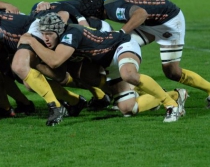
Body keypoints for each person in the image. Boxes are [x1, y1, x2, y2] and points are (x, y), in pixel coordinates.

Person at [18, 13, 186, 122]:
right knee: (128, 109)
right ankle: (176, 94)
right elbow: (60, 73)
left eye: (49, 35)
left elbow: (55, 62)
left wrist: (31, 41)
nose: (46, 38)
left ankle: (172, 106)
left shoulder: (70, 34)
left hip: (121, 45)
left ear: (59, 32)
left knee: (129, 74)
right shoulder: (62, 37)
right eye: (44, 34)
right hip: (107, 61)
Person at [79, 0, 210, 108]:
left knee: (172, 72)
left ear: (97, 13)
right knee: (116, 50)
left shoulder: (113, 9)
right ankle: (128, 93)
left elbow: (141, 13)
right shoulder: (104, 2)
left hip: (169, 22)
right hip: (149, 23)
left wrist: (121, 33)